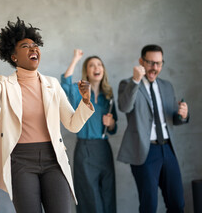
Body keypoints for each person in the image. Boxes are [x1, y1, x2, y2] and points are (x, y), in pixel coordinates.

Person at [0, 18, 95, 213]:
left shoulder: (52, 84)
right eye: (25, 46)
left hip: (53, 158)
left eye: (35, 45)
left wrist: (86, 102)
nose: (33, 49)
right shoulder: (5, 84)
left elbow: (72, 125)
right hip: (20, 161)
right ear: (13, 57)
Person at [117, 44, 189, 213]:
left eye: (158, 63)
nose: (154, 68)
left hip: (168, 149)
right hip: (145, 151)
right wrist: (135, 80)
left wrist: (183, 115)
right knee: (149, 206)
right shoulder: (127, 83)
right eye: (150, 63)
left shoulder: (167, 86)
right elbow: (125, 107)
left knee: (177, 203)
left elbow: (174, 119)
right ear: (141, 61)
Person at [61, 49, 117, 213]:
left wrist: (112, 123)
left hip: (104, 149)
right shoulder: (80, 93)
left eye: (99, 64)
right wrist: (76, 59)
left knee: (108, 195)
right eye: (91, 65)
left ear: (103, 70)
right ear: (87, 71)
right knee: (90, 198)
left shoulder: (108, 97)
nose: (96, 67)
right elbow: (65, 83)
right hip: (85, 151)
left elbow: (113, 129)